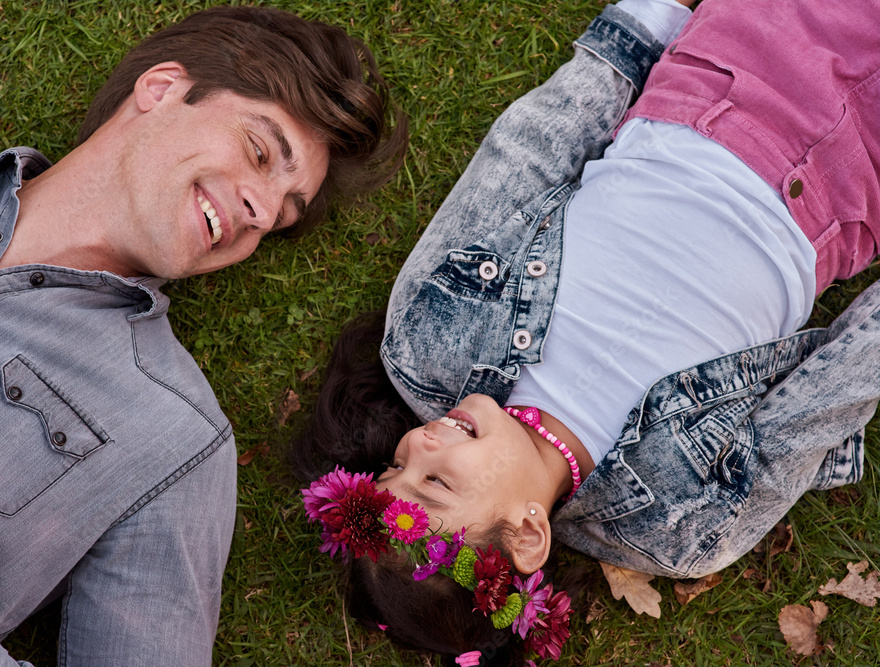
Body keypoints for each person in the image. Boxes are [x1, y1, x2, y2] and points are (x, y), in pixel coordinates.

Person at [292, 0, 880, 663]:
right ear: (525, 536)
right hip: (845, 191)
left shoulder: (428, 345)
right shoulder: (679, 528)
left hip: (729, 82)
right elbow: (828, 396)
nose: (421, 443)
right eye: (436, 483)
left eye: (397, 467)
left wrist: (635, 31)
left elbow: (523, 158)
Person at [0, 6, 405, 667]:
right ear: (161, 89)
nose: (263, 212)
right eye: (261, 150)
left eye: (282, 215)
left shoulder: (175, 444)